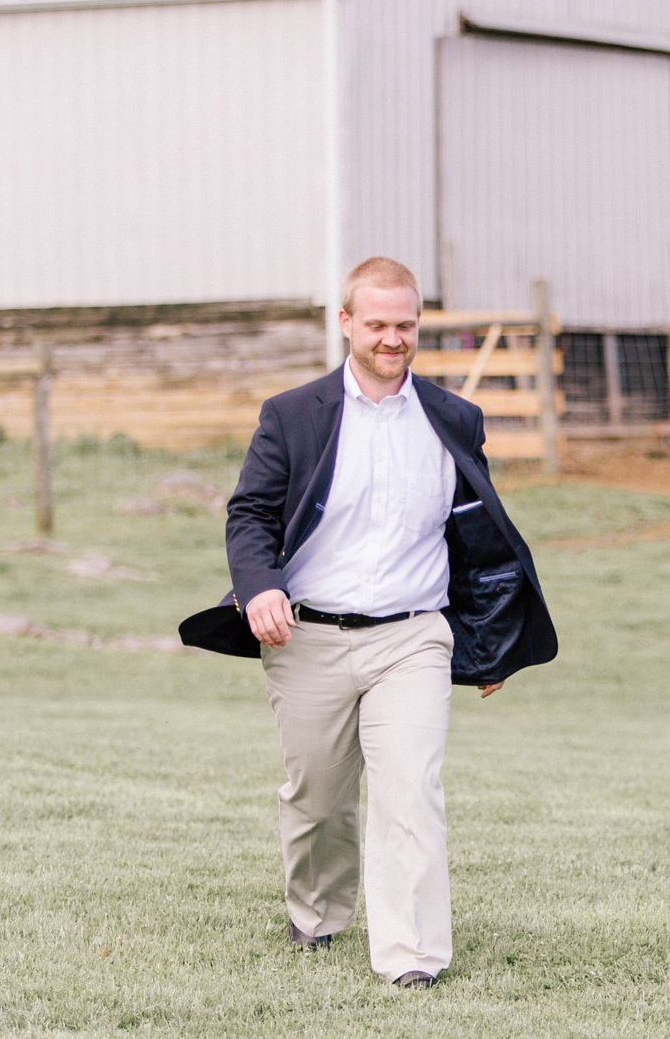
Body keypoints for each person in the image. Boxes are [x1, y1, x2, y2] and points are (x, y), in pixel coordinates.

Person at [221, 256, 555, 988]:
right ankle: (316, 910)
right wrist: (259, 589)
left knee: (410, 787)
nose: (393, 337)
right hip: (306, 635)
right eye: (377, 323)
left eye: (405, 323)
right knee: (317, 795)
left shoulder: (454, 419)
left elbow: (474, 538)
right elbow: (249, 514)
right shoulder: (292, 414)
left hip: (413, 637)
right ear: (347, 324)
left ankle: (412, 958)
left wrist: (487, 643)